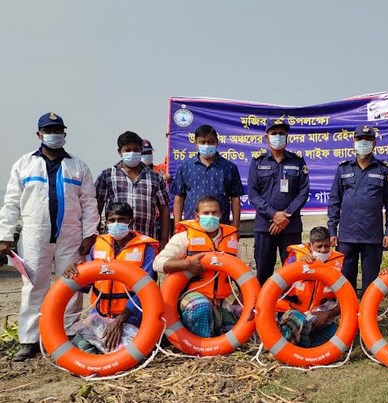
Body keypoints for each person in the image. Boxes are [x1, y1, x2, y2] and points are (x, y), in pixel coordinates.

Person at [0, 112, 99, 361]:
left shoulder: (78, 166)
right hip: (35, 234)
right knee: (34, 286)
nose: (54, 135)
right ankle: (30, 340)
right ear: (39, 134)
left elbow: (89, 203)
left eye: (58, 130)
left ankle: (67, 334)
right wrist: (5, 235)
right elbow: (11, 202)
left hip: (71, 236)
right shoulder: (24, 164)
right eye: (49, 130)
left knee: (71, 286)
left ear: (65, 134)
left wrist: (90, 233)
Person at [63, 202, 159, 353]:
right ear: (106, 222)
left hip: (133, 317)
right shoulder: (98, 246)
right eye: (112, 220)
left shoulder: (146, 249)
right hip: (100, 315)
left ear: (130, 221)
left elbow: (147, 290)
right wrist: (75, 271)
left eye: (121, 220)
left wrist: (120, 321)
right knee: (77, 341)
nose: (116, 224)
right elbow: (87, 285)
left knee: (124, 350)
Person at [153, 196, 241, 337]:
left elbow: (240, 273)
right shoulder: (184, 237)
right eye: (206, 213)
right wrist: (187, 264)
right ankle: (198, 344)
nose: (211, 216)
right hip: (190, 298)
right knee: (201, 308)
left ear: (221, 215)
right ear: (197, 216)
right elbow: (158, 263)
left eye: (215, 213)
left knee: (233, 332)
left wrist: (240, 302)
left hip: (220, 302)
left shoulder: (231, 240)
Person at [328, 125, 388, 295]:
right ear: (354, 142)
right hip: (347, 236)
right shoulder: (343, 168)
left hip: (372, 236)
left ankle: (367, 317)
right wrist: (332, 230)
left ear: (374, 143)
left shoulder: (383, 168)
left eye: (367, 139)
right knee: (345, 281)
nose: (363, 143)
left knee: (371, 283)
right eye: (360, 139)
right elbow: (335, 201)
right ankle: (349, 316)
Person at [248, 119, 310, 286]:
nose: (278, 137)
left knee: (292, 272)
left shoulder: (297, 161)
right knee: (263, 272)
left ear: (287, 137)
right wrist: (273, 215)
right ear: (266, 138)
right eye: (274, 133)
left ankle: (289, 309)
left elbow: (303, 192)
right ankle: (261, 309)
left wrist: (285, 216)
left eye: (281, 134)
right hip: (264, 226)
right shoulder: (258, 162)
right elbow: (253, 194)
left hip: (291, 226)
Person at [95, 131, 170, 249]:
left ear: (141, 151)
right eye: (127, 150)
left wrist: (164, 239)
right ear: (120, 152)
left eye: (136, 149)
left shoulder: (155, 177)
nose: (132, 153)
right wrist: (95, 234)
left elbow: (164, 208)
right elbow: (97, 206)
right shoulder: (107, 176)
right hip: (114, 241)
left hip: (147, 240)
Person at [275, 226, 344, 347]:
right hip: (291, 313)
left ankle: (303, 341)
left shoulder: (339, 262)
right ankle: (298, 345)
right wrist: (299, 267)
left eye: (326, 246)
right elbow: (279, 288)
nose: (323, 250)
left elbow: (347, 299)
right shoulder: (295, 258)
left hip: (319, 316)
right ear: (310, 246)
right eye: (319, 246)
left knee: (337, 334)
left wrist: (329, 313)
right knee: (299, 322)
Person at [172, 124, 244, 230]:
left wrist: (235, 228)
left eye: (211, 142)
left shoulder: (229, 167)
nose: (207, 145)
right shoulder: (185, 167)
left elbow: (235, 199)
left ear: (217, 143)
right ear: (196, 143)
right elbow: (179, 199)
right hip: (192, 227)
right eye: (202, 142)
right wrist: (177, 227)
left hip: (221, 226)